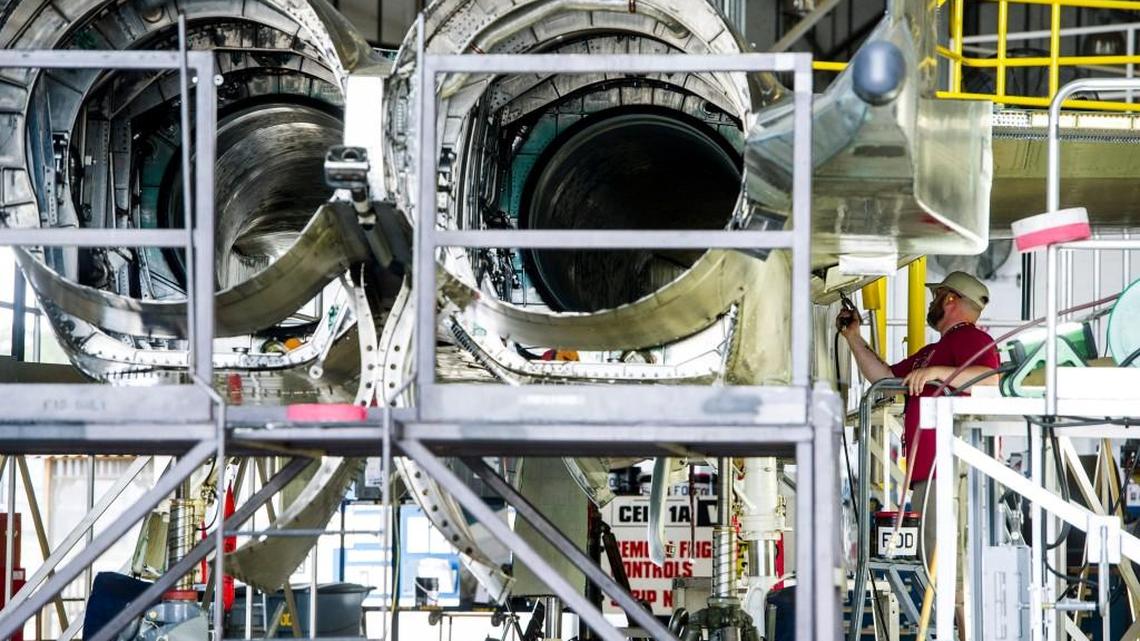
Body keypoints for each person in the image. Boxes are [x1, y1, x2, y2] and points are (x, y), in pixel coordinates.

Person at [837, 271, 1000, 631]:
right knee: (936, 563)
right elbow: (883, 379)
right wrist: (854, 339)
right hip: (931, 475)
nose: (930, 303)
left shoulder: (970, 338)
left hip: (951, 472)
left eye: (936, 296)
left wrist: (938, 373)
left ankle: (964, 633)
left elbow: (989, 379)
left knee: (949, 565)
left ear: (950, 300)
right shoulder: (932, 351)